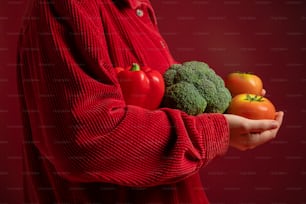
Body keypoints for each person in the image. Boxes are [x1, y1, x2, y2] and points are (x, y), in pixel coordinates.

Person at [16, 0, 283, 203]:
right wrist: (217, 131)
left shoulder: (139, 9)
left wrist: (229, 108)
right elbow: (85, 142)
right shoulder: (68, 6)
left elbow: (165, 109)